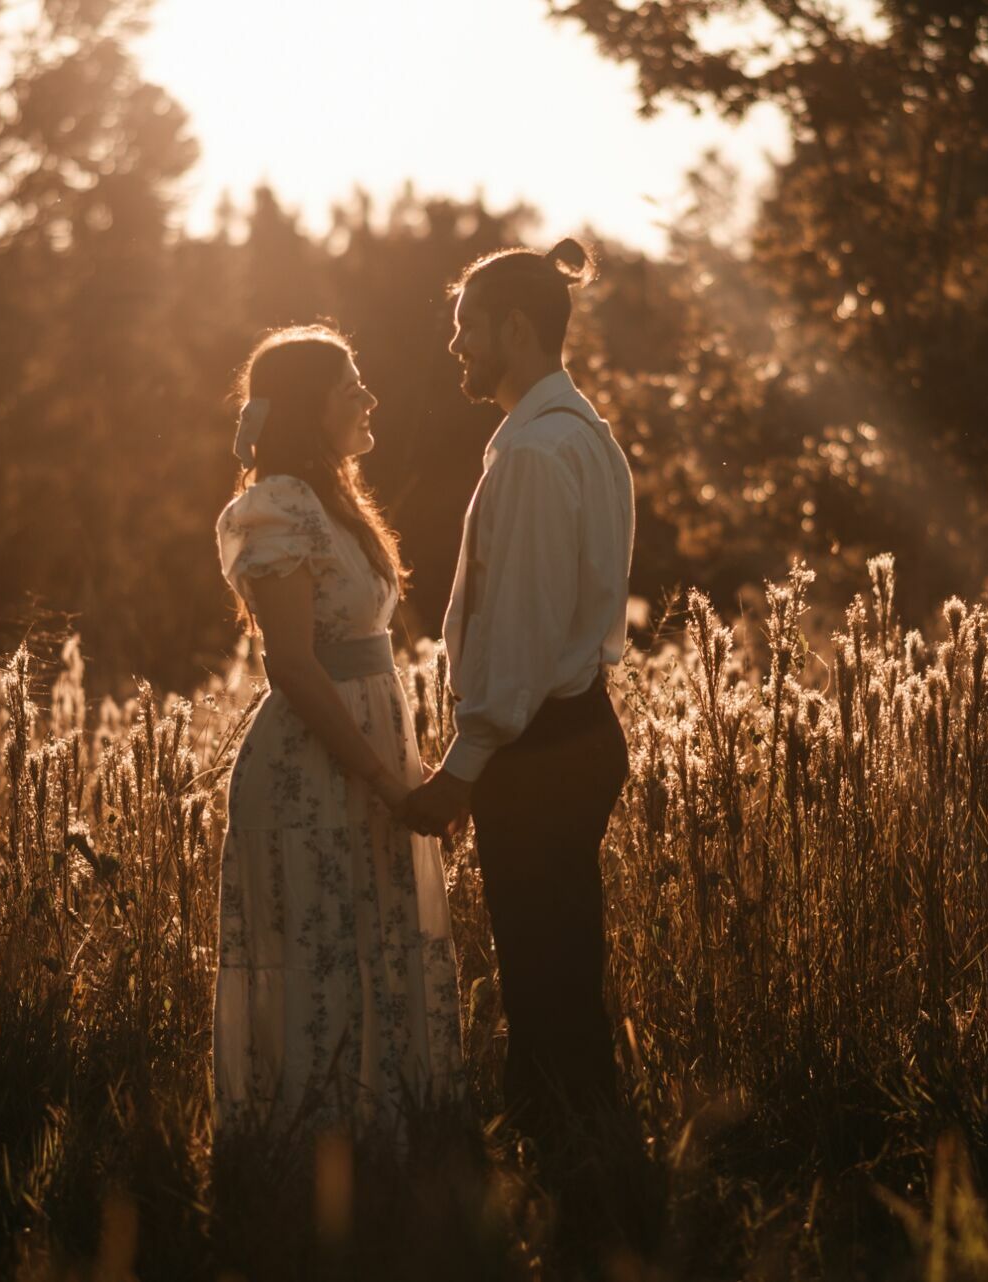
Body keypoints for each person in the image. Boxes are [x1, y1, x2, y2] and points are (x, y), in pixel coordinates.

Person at [400, 239, 637, 1159]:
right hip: (572, 736)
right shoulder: (579, 435)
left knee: (544, 969)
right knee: (561, 960)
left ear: (515, 327)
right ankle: (589, 1150)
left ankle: (565, 1162)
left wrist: (462, 769)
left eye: (466, 328)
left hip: (538, 750)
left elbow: (526, 633)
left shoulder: (537, 454)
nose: (455, 346)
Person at [210, 324, 464, 1138]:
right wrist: (382, 778)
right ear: (304, 404)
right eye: (350, 383)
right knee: (324, 946)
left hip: (368, 744)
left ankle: (388, 1131)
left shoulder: (330, 499)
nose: (368, 397)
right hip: (315, 764)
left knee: (368, 935)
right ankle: (309, 1152)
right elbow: (291, 662)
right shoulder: (278, 505)